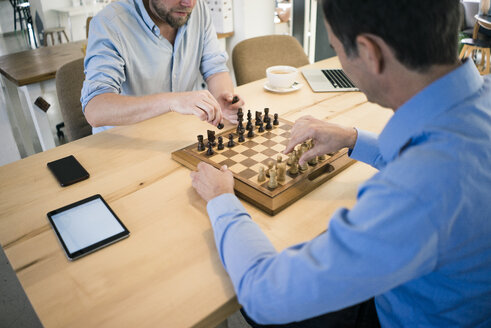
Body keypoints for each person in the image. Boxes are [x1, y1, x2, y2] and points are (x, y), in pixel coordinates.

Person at [190, 0, 491, 327]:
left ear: (369, 52)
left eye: (337, 50)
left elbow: (266, 295)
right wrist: (353, 138)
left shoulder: (419, 186)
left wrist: (222, 201)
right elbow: (429, 157)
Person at [81, 0, 244, 134]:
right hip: (124, 145)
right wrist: (172, 101)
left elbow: (215, 69)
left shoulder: (198, 9)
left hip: (177, 134)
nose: (189, 3)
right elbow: (95, 109)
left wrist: (223, 98)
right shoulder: (110, 23)